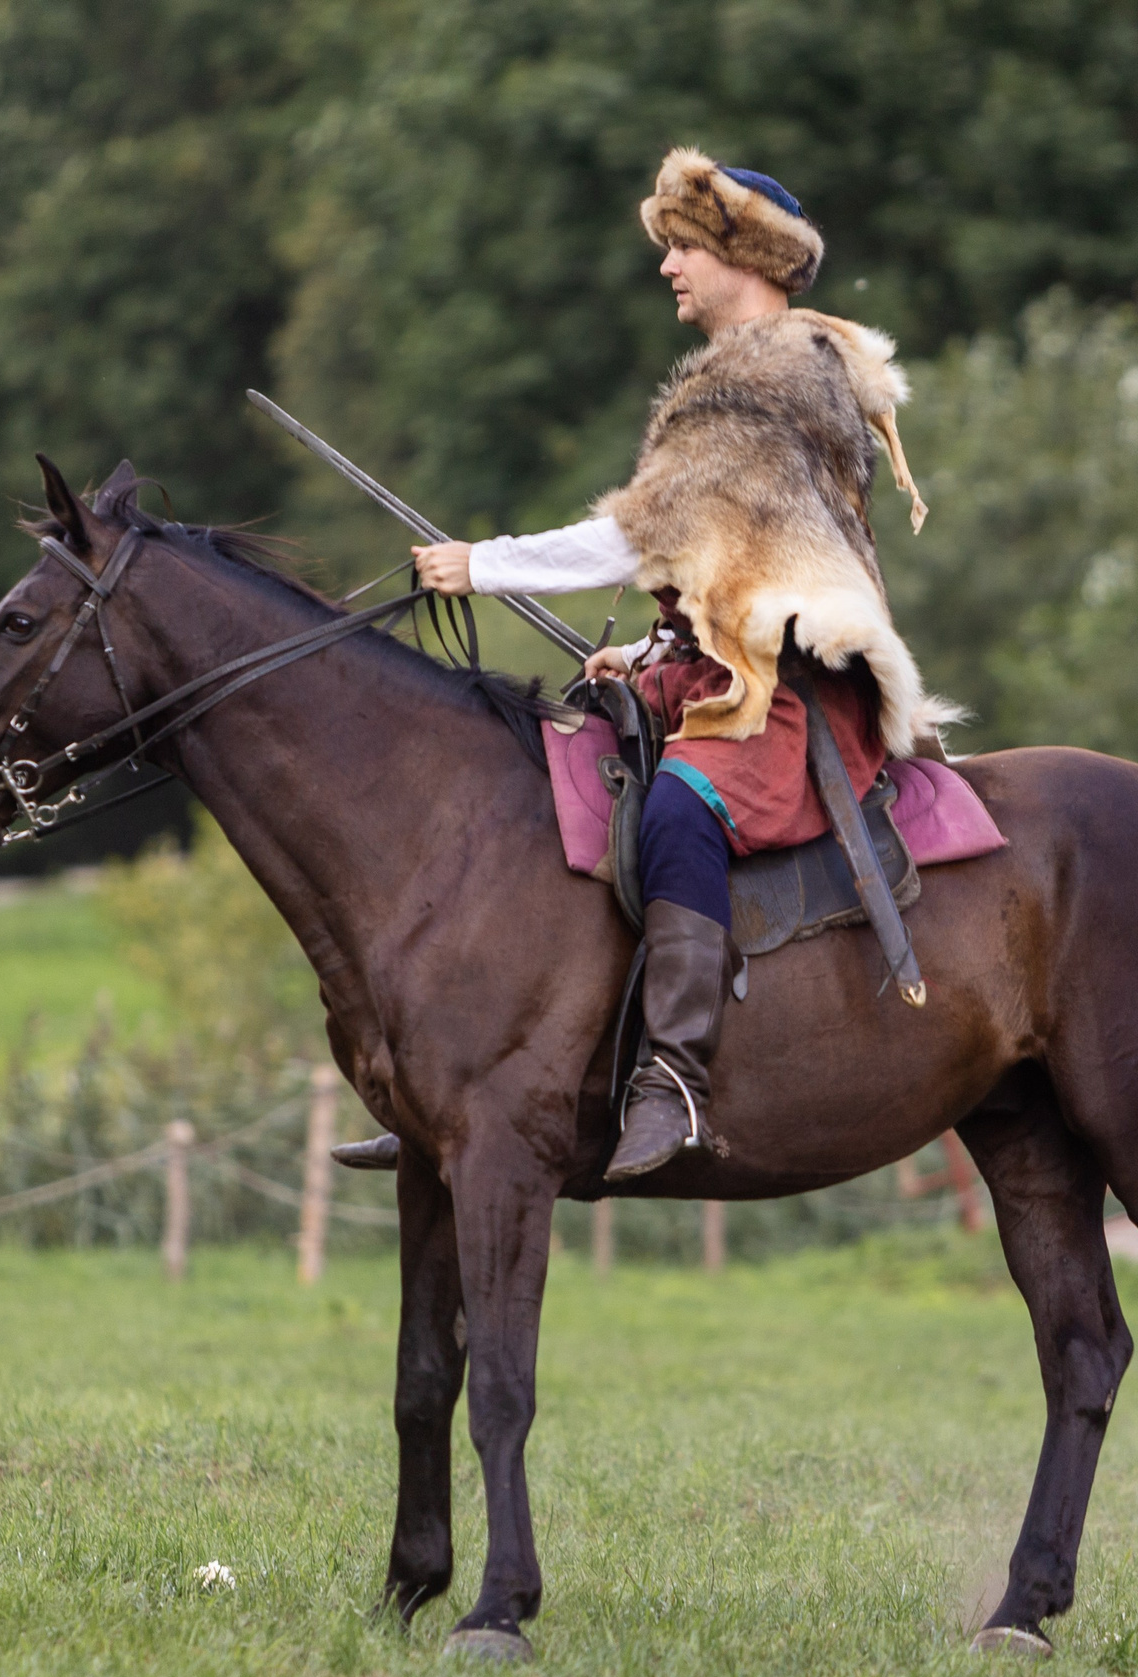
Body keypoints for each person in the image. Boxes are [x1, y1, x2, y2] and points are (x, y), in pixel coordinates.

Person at [411, 147, 954, 1183]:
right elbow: (708, 559)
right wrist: (658, 645)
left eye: (683, 246)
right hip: (714, 671)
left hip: (784, 699)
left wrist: (481, 565)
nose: (666, 265)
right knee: (549, 772)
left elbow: (636, 539)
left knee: (676, 810)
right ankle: (475, 1081)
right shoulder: (748, 378)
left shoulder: (771, 376)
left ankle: (677, 1081)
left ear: (743, 256)